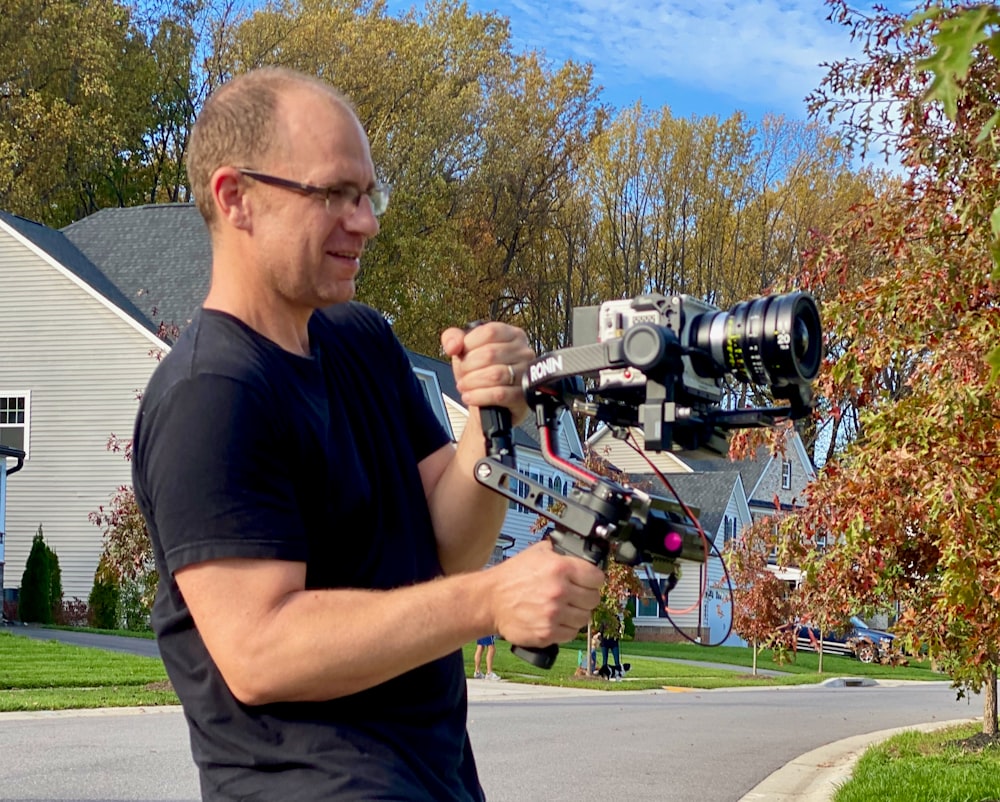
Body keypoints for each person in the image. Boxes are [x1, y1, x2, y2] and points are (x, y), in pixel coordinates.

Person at [131, 66, 605, 802]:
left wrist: (490, 417)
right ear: (236, 198)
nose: (367, 221)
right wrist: (487, 603)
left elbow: (451, 545)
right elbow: (260, 649)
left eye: (368, 194)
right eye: (334, 195)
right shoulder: (210, 396)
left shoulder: (361, 341)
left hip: (436, 775)